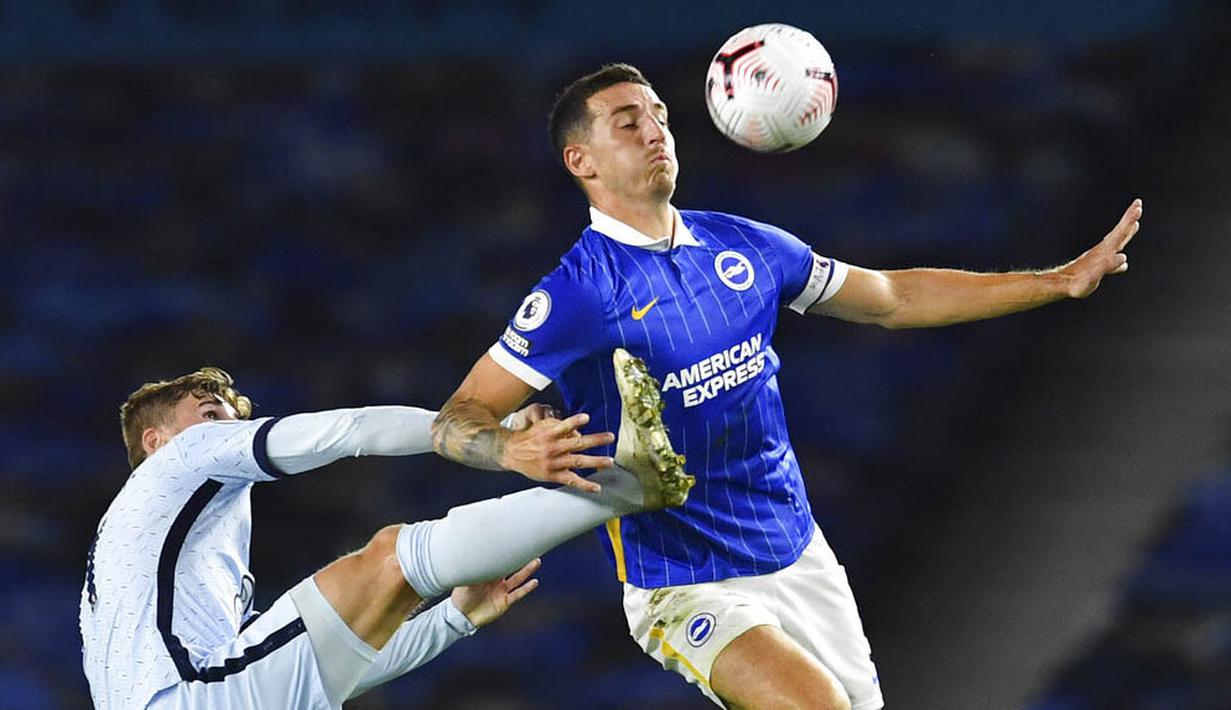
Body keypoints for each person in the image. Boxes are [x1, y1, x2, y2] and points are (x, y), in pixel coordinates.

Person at [430, 63, 1143, 710]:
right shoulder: (576, 295)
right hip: (685, 579)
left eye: (659, 116)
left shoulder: (745, 246)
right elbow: (457, 418)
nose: (655, 131)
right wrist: (509, 451)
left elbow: (891, 297)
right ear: (578, 160)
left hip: (797, 549)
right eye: (628, 122)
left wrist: (1055, 281)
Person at [79, 363, 690, 709]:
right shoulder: (180, 460)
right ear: (156, 442)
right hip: (181, 701)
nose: (230, 422)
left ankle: (631, 485)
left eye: (229, 414)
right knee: (391, 558)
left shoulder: (153, 579)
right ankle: (631, 485)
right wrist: (497, 437)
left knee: (390, 570)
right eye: (207, 412)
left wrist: (450, 620)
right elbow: (347, 431)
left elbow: (330, 672)